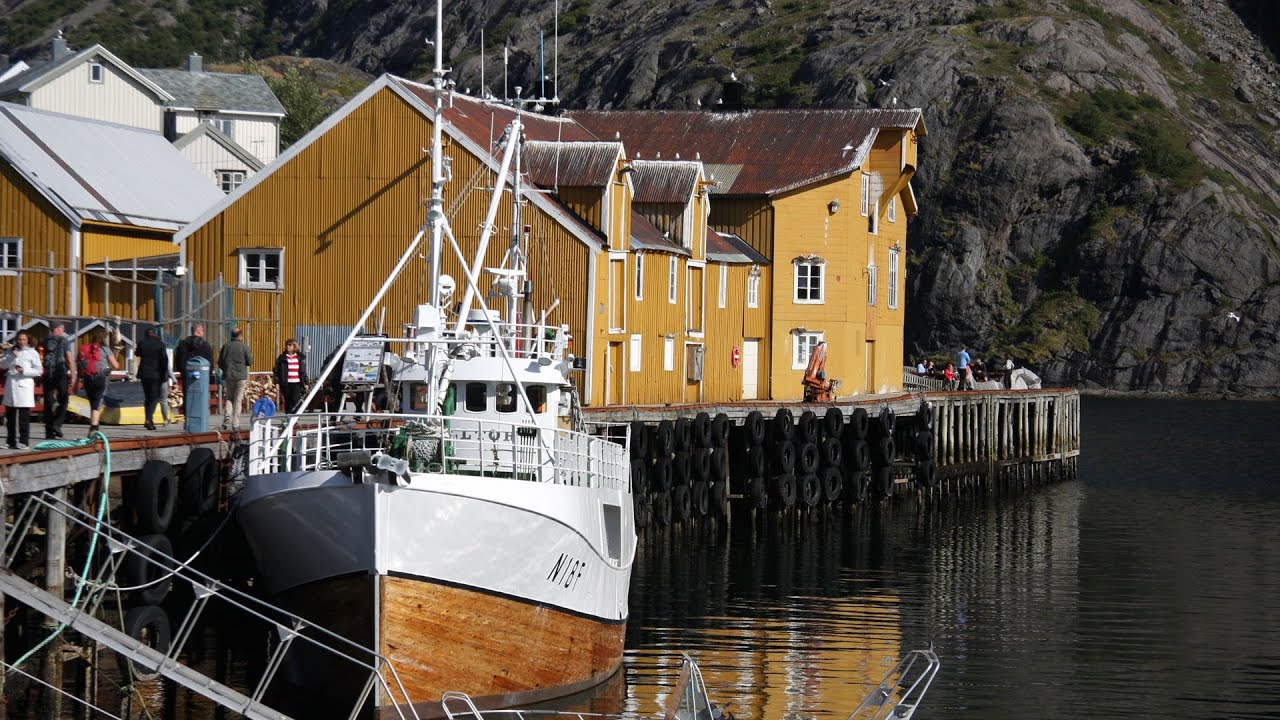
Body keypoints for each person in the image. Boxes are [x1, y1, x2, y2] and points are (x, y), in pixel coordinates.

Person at [2, 332, 43, 449]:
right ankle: (10, 441)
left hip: (24, 385)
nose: (21, 342)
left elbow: (39, 370)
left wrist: (24, 371)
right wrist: (12, 357)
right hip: (11, 384)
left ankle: (24, 441)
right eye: (19, 339)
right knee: (10, 416)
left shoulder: (32, 353)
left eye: (24, 339)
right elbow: (3, 365)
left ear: (28, 340)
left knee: (23, 417)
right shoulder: (11, 352)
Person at [77, 328, 119, 435]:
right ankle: (93, 428)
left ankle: (95, 426)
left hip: (87, 378)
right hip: (100, 378)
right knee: (97, 404)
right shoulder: (105, 349)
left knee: (93, 404)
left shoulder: (84, 348)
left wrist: (77, 381)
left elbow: (78, 365)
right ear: (103, 338)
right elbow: (116, 365)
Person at [39, 322, 76, 439]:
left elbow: (38, 358)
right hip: (60, 373)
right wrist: (74, 375)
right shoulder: (64, 341)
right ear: (57, 328)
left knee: (48, 403)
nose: (63, 330)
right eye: (62, 327)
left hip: (47, 374)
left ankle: (49, 432)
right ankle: (57, 424)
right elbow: (69, 359)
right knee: (64, 399)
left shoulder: (42, 341)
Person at [217, 327, 254, 431]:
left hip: (229, 376)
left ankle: (227, 416)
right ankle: (235, 423)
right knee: (237, 399)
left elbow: (220, 361)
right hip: (241, 376)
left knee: (229, 397)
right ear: (240, 336)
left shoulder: (225, 346)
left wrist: (226, 368)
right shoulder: (244, 347)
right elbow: (250, 361)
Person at [173, 324, 213, 416]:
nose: (203, 332)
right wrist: (209, 375)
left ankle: (188, 417)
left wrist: (183, 371)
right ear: (198, 331)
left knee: (188, 394)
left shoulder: (183, 344)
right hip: (202, 376)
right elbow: (210, 361)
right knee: (201, 395)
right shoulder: (205, 345)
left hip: (187, 374)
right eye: (203, 330)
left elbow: (178, 360)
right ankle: (199, 415)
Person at [136, 328, 169, 431]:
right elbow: (164, 360)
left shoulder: (142, 342)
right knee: (154, 397)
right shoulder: (160, 344)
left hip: (144, 373)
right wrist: (164, 376)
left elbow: (137, 353)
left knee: (148, 397)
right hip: (156, 374)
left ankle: (147, 419)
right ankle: (149, 419)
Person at [273, 338, 309, 414]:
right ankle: (288, 417)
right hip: (286, 383)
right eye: (287, 345)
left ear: (294, 346)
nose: (287, 347)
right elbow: (276, 371)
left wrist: (306, 382)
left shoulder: (299, 358)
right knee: (288, 401)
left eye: (290, 345)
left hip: (297, 383)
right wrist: (276, 382)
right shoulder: (282, 358)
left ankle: (294, 418)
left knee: (296, 400)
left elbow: (303, 371)